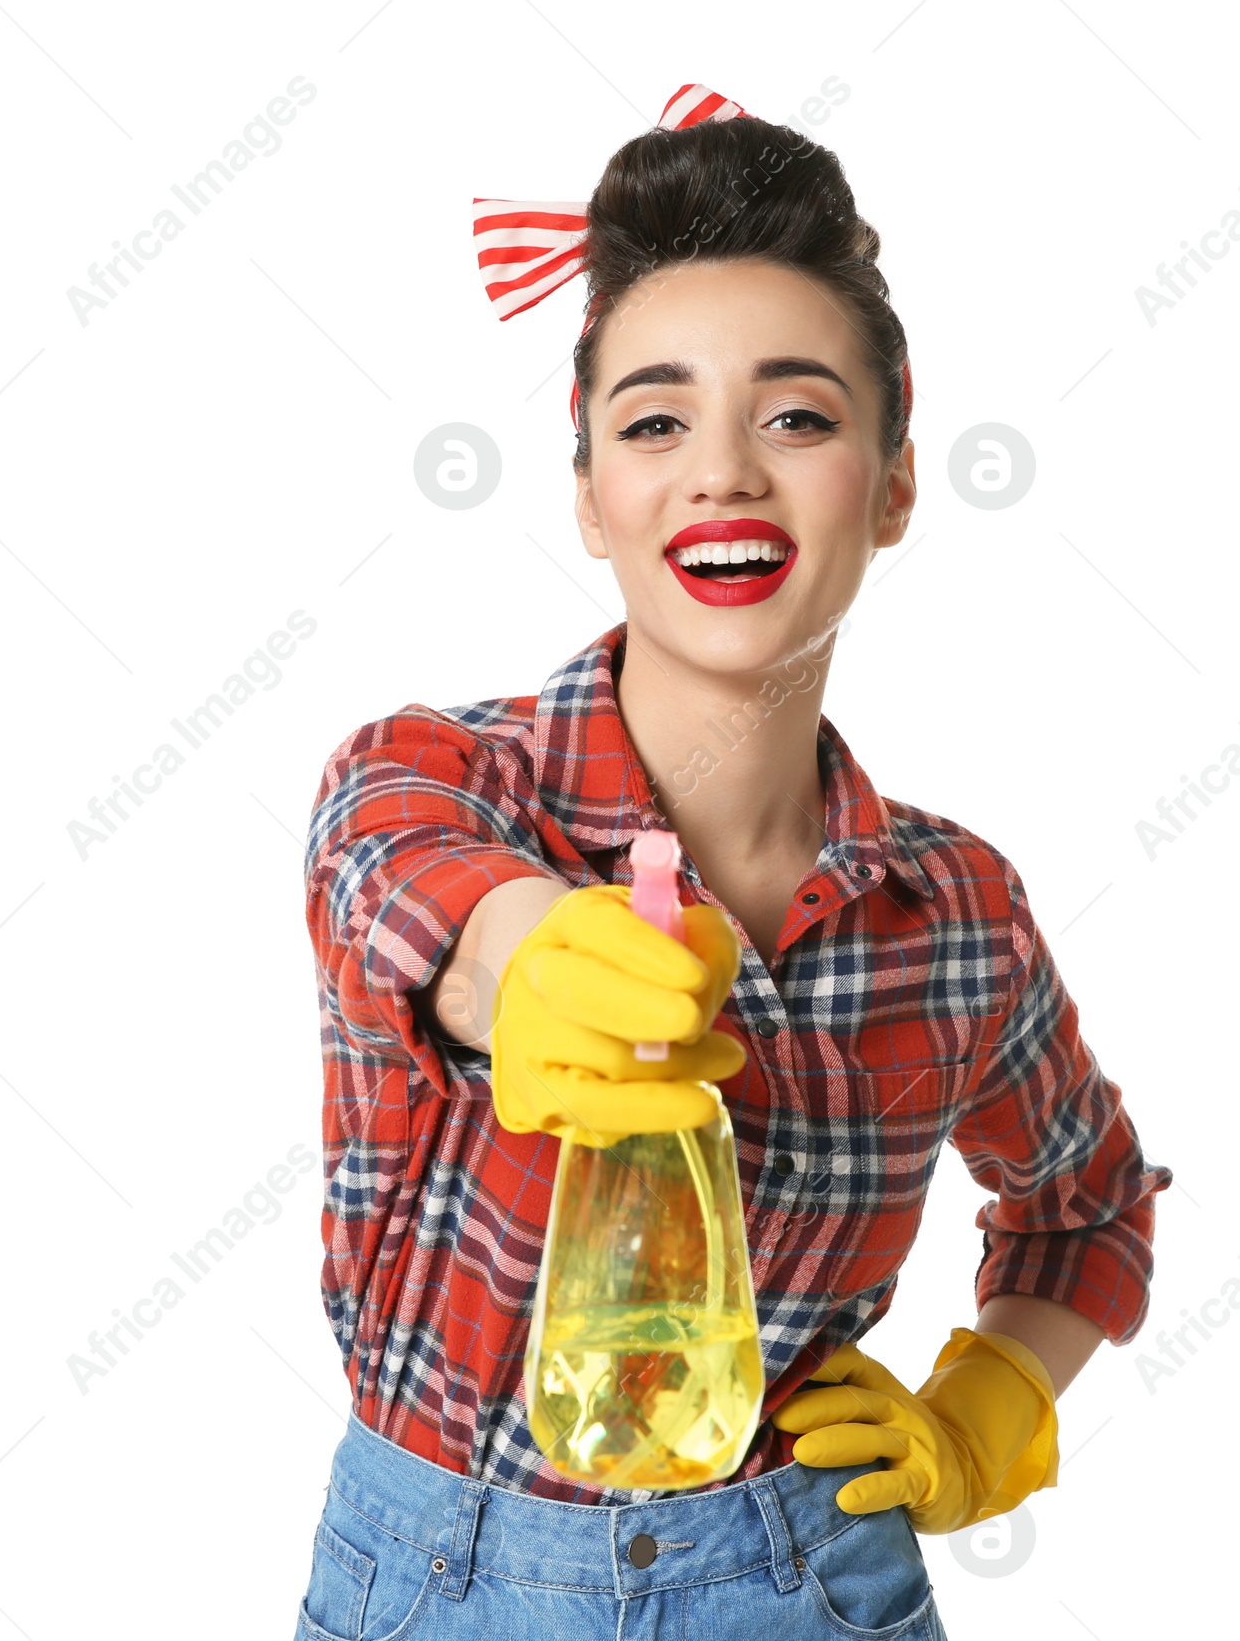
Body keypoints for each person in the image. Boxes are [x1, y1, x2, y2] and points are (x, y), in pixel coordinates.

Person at [294, 83, 1172, 1641]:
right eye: (653, 420)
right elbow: (411, 895)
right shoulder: (434, 777)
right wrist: (529, 961)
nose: (723, 472)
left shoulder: (955, 913)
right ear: (590, 493)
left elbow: (1088, 1203)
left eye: (798, 415)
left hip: (804, 1581)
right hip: (432, 1583)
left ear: (893, 484)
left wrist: (986, 1402)